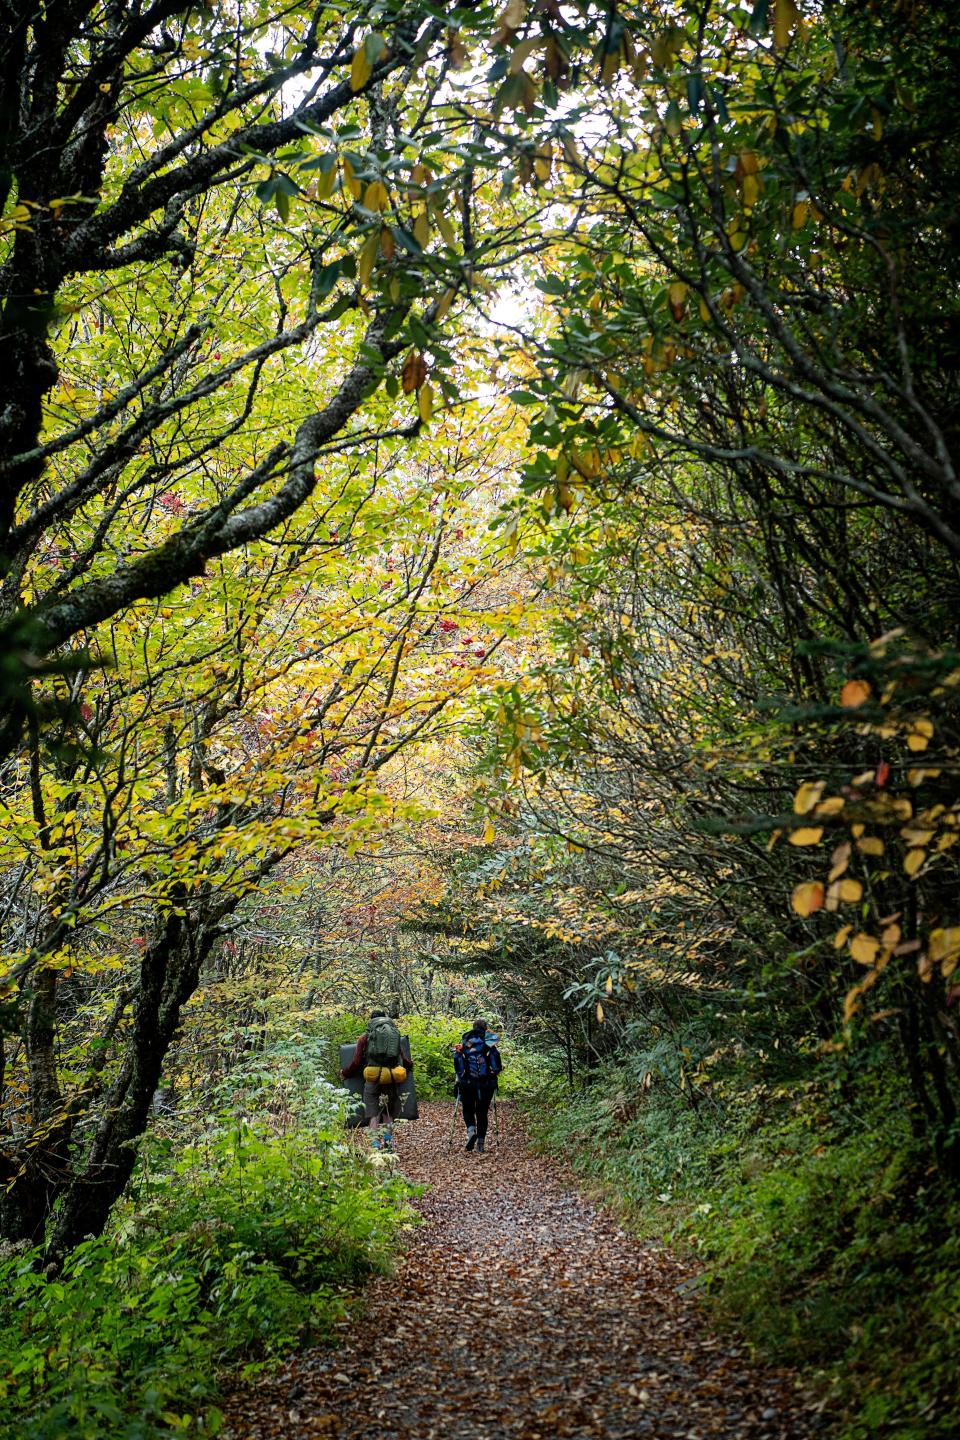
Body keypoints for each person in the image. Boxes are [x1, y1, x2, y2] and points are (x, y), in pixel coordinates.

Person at [341, 1011, 413, 1152]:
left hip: (372, 1079)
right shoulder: (393, 1036)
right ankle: (388, 1144)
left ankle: (375, 1145)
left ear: (371, 1021)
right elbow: (403, 1059)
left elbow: (356, 1062)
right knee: (388, 1113)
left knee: (373, 1113)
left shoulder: (365, 1037)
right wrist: (410, 1066)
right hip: (390, 1079)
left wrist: (345, 1073)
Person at [453, 1019, 502, 1154]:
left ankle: (471, 1131)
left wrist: (459, 1079)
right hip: (486, 1084)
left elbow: (458, 1063)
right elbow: (496, 1065)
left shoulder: (465, 1042)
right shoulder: (489, 1043)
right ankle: (480, 1143)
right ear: (485, 1029)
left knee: (468, 1109)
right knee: (482, 1112)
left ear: (473, 1028)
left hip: (468, 1083)